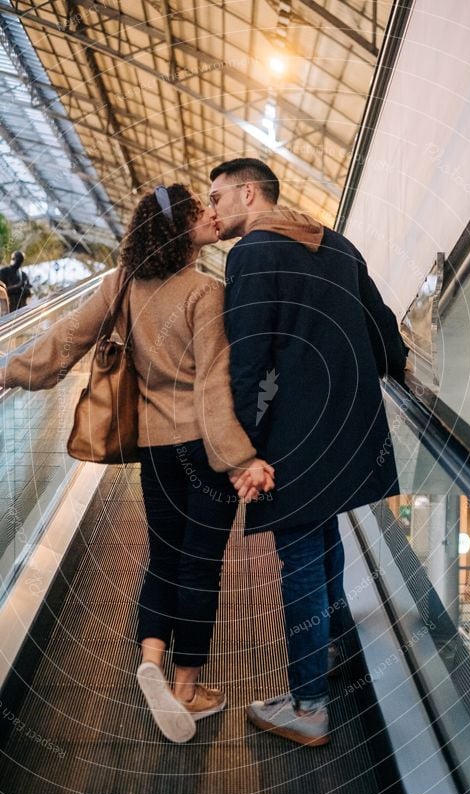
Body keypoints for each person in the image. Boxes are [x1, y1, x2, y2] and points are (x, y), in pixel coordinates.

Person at [0, 183, 274, 743]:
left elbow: (66, 338)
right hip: (202, 446)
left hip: (155, 449)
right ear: (180, 228)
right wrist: (239, 459)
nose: (212, 216)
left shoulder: (121, 284)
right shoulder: (205, 293)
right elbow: (213, 390)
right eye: (201, 211)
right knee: (200, 565)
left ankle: (151, 654)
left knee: (164, 556)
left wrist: (8, 371)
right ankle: (187, 689)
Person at [210, 158, 407, 747]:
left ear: (250, 193)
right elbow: (383, 329)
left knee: (298, 561)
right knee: (322, 546)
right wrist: (385, 376)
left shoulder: (250, 254)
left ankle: (310, 705)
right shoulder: (338, 245)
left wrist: (244, 452)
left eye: (217, 197)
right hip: (349, 432)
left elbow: (247, 359)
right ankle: (335, 658)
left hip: (291, 439)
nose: (213, 210)